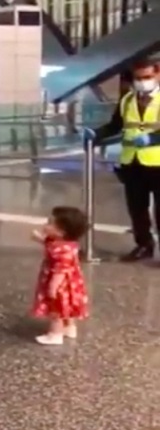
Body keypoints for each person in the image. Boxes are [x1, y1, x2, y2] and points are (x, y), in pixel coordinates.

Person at [87, 59, 160, 262]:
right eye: (138, 78)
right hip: (132, 162)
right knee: (137, 208)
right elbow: (115, 125)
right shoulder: (127, 100)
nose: (142, 82)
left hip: (158, 162)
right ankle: (143, 245)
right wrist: (95, 133)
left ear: (158, 75)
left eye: (147, 77)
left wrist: (152, 138)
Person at [30, 206, 90, 345]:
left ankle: (55, 334)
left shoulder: (61, 250)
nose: (46, 225)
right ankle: (69, 327)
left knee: (56, 309)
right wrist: (38, 238)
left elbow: (60, 270)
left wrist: (53, 286)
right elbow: (48, 244)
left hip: (61, 284)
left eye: (50, 223)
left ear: (62, 232)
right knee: (66, 307)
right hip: (71, 284)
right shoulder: (67, 244)